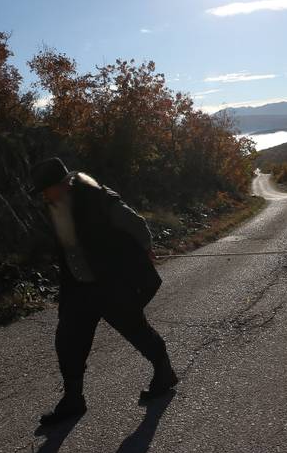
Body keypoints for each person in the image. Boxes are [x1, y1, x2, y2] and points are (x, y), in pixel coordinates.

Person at [29, 157, 177, 426]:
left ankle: (164, 372)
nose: (42, 196)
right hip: (78, 286)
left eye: (45, 189)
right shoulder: (54, 205)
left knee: (135, 329)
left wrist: (144, 251)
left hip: (111, 281)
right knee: (68, 341)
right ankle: (73, 399)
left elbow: (136, 223)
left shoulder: (96, 197)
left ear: (62, 184)